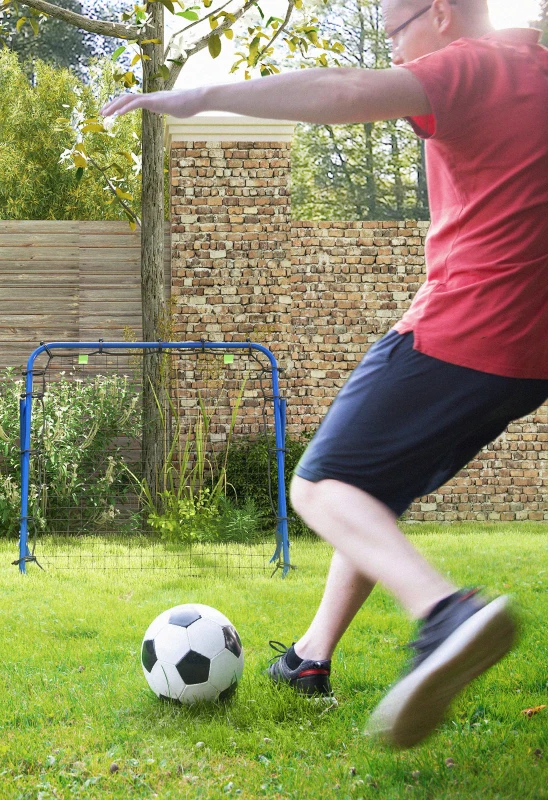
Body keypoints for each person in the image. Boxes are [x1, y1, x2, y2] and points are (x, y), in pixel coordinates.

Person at [101, 0, 548, 748]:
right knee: (370, 492)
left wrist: (201, 95)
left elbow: (343, 90)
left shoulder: (473, 65)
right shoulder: (537, 71)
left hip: (467, 325)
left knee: (319, 486)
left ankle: (447, 614)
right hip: (531, 359)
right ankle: (309, 660)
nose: (394, 51)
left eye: (395, 31)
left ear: (439, 12)